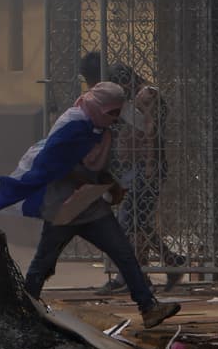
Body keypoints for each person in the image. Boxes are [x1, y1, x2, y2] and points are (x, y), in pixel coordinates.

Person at [0, 82, 180, 329]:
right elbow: (56, 163)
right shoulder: (72, 125)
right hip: (64, 206)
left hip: (90, 206)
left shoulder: (99, 130)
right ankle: (25, 313)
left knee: (123, 252)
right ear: (99, 107)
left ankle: (148, 307)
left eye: (117, 112)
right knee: (43, 262)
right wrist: (94, 182)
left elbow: (96, 167)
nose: (115, 118)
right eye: (112, 113)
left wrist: (109, 184)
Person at [79, 54, 186, 294]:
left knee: (129, 221)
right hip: (136, 168)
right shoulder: (133, 100)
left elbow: (151, 133)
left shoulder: (147, 96)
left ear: (126, 81)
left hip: (147, 168)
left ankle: (130, 276)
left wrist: (149, 166)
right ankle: (167, 263)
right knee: (138, 221)